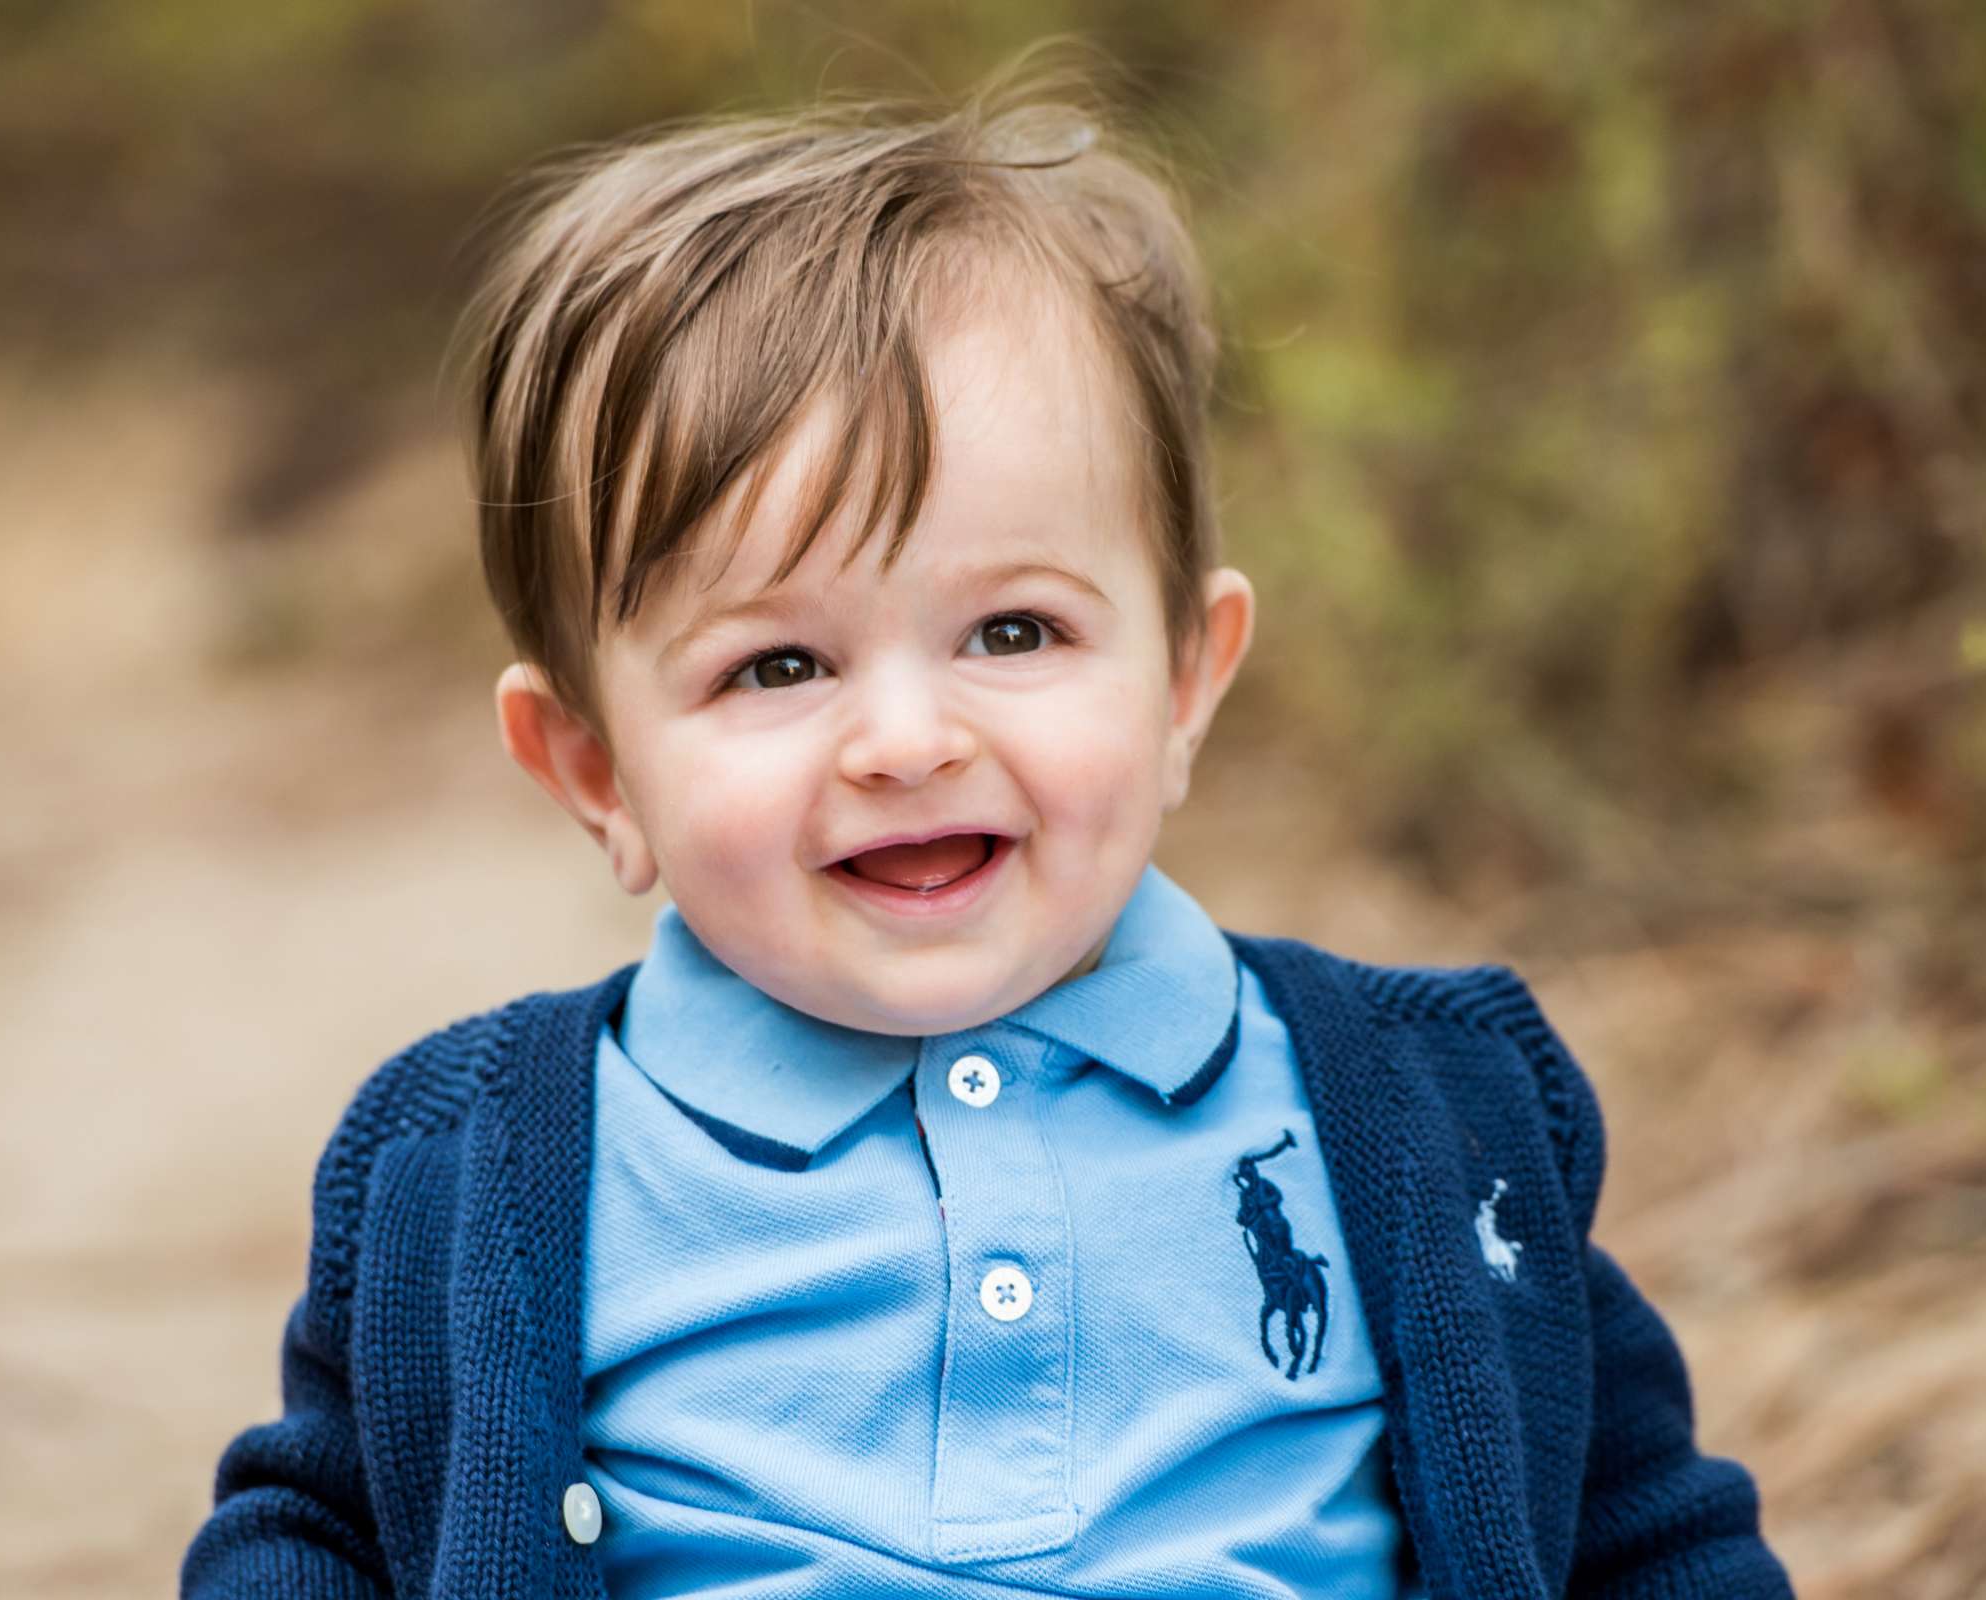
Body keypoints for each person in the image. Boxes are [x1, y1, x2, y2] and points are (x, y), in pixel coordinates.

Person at [180, 62, 1793, 1600]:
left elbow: (1645, 1531)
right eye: (779, 664)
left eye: (1013, 633)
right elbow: (317, 1526)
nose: (908, 741)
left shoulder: (1428, 1117)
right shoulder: (477, 1173)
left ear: (1184, 683)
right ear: (598, 774)